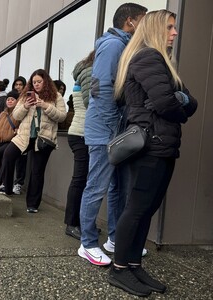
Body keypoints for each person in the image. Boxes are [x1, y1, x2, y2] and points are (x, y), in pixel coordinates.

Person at [108, 10, 197, 297]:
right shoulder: (149, 58)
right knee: (136, 208)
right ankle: (118, 269)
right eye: (170, 27)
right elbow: (167, 104)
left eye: (175, 27)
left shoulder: (163, 62)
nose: (175, 32)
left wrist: (178, 100)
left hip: (162, 144)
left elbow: (189, 101)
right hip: (151, 144)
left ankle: (133, 264)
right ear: (157, 29)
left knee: (146, 209)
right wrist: (177, 103)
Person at [78, 3, 147, 267]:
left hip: (115, 130)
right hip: (105, 131)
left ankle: (116, 239)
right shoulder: (113, 45)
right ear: (130, 22)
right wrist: (112, 128)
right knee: (97, 187)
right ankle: (87, 243)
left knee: (119, 186)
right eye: (143, 20)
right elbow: (100, 87)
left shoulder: (124, 46)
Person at [0, 69, 66, 214]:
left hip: (44, 139)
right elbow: (16, 114)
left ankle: (32, 204)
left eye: (39, 82)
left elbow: (62, 116)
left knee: (37, 171)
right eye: (34, 82)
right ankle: (7, 188)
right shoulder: (25, 95)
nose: (37, 84)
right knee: (8, 155)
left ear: (46, 81)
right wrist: (26, 105)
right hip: (24, 136)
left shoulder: (55, 96)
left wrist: (45, 105)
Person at [64, 50, 94, 240]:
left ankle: (81, 222)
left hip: (81, 132)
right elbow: (93, 103)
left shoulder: (83, 72)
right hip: (82, 134)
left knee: (84, 181)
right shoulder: (90, 73)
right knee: (80, 180)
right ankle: (72, 223)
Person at [12, 76, 27, 195]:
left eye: (20, 85)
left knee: (21, 160)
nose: (18, 87)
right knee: (7, 157)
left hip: (23, 134)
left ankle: (18, 183)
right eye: (16, 84)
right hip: (10, 134)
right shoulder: (11, 97)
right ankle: (6, 181)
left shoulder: (27, 97)